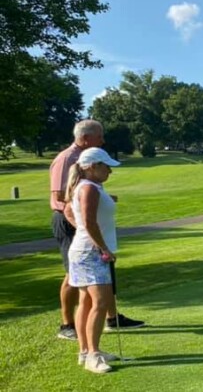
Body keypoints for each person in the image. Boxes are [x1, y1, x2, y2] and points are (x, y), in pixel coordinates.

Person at [49, 120, 144, 340]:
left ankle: (112, 318)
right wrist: (84, 222)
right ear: (85, 138)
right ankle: (67, 325)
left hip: (85, 219)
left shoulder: (92, 165)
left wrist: (101, 199)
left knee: (100, 275)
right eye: (99, 136)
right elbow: (60, 197)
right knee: (74, 273)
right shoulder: (67, 159)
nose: (103, 140)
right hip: (67, 220)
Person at [65, 147, 123, 373]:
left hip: (84, 250)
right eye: (106, 166)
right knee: (100, 303)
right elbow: (89, 222)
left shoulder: (88, 186)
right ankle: (93, 355)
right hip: (91, 253)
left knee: (87, 302)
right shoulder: (88, 187)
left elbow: (71, 212)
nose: (110, 170)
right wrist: (104, 248)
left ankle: (86, 351)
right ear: (92, 167)